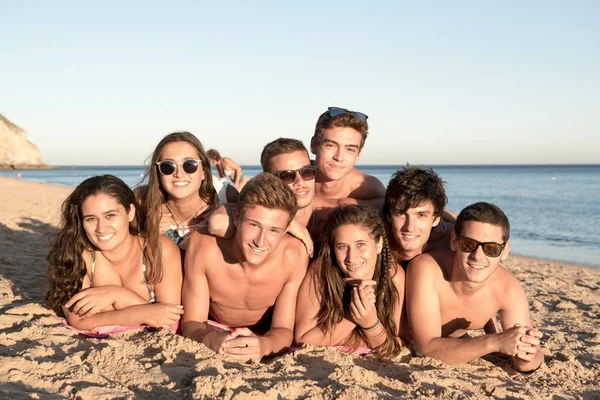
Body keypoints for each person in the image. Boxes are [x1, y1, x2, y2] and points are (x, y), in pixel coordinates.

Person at [182, 173, 309, 362]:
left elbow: (283, 329)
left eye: (274, 230)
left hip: (263, 331)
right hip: (215, 324)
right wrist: (210, 339)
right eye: (254, 225)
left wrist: (263, 345)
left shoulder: (294, 255)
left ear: (286, 228)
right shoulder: (203, 247)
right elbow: (191, 323)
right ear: (236, 217)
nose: (260, 241)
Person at [406, 202, 544, 372]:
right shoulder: (427, 268)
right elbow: (425, 348)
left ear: (505, 251)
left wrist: (525, 356)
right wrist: (496, 342)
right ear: (454, 242)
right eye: (468, 245)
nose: (478, 256)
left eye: (491, 248)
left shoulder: (508, 288)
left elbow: (532, 358)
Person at [45, 175, 183, 330]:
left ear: (130, 212)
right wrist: (144, 312)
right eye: (91, 219)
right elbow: (78, 320)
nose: (101, 228)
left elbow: (169, 318)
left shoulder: (159, 250)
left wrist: (115, 295)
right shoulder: (76, 254)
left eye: (110, 215)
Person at [295, 205, 405, 359]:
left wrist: (370, 321)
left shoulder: (392, 274)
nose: (351, 257)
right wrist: (352, 317)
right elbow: (302, 341)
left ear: (378, 244)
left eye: (360, 244)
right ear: (333, 249)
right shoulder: (321, 271)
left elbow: (392, 345)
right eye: (342, 247)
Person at [139, 132, 234, 249]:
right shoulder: (142, 201)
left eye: (189, 165)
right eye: (167, 166)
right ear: (158, 172)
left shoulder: (226, 196)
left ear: (204, 171)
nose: (179, 174)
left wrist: (229, 211)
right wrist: (144, 230)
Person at [310, 107, 385, 209]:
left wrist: (344, 203)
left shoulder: (370, 190)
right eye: (331, 145)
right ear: (314, 145)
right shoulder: (292, 177)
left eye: (350, 149)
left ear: (358, 155)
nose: (339, 157)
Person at [384, 166, 453, 269]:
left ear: (436, 219)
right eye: (401, 214)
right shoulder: (377, 241)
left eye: (421, 215)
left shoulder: (452, 243)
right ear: (389, 215)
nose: (410, 227)